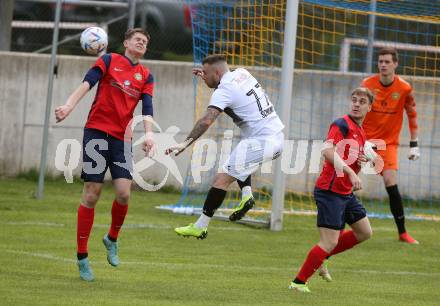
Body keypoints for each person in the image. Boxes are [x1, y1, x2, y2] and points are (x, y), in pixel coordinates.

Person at [54, 28, 155, 281]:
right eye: (137, 39)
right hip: (97, 132)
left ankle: (111, 238)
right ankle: (82, 257)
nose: (142, 43)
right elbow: (86, 84)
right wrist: (68, 105)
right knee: (92, 192)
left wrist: (150, 134)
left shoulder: (146, 75)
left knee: (123, 193)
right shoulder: (109, 60)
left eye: (145, 41)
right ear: (126, 43)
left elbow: (148, 107)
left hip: (122, 140)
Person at [165, 54, 284, 239]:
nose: (203, 77)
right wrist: (207, 75)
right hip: (273, 136)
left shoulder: (224, 90)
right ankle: (246, 196)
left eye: (205, 73)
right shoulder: (242, 73)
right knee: (238, 157)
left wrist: (184, 143)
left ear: (217, 72)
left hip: (262, 141)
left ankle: (200, 226)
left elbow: (206, 120)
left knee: (220, 180)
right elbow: (232, 92)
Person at [289, 88, 374, 293]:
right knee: (329, 241)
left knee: (364, 232)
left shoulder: (360, 132)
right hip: (330, 191)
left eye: (362, 101)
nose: (356, 104)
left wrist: (361, 161)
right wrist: (351, 173)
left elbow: (349, 158)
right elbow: (327, 151)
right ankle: (298, 282)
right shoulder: (341, 124)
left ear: (369, 107)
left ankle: (323, 257)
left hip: (345, 193)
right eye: (354, 100)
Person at [362, 47, 419, 244]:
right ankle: (337, 227)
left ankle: (402, 233)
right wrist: (360, 140)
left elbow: (412, 114)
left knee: (390, 181)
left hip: (389, 145)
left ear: (395, 64)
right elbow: (357, 111)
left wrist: (414, 144)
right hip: (366, 142)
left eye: (387, 62)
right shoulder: (367, 85)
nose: (383, 65)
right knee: (346, 180)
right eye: (380, 62)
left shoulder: (404, 88)